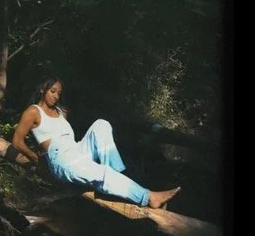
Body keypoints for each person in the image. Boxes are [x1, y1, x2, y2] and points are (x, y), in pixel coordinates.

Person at [10, 78, 181, 208]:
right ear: (42, 89)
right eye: (52, 91)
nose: (56, 96)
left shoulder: (61, 112)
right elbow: (17, 142)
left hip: (76, 150)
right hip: (61, 157)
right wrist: (37, 159)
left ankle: (114, 174)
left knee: (101, 124)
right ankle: (149, 197)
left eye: (59, 93)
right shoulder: (33, 111)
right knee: (102, 172)